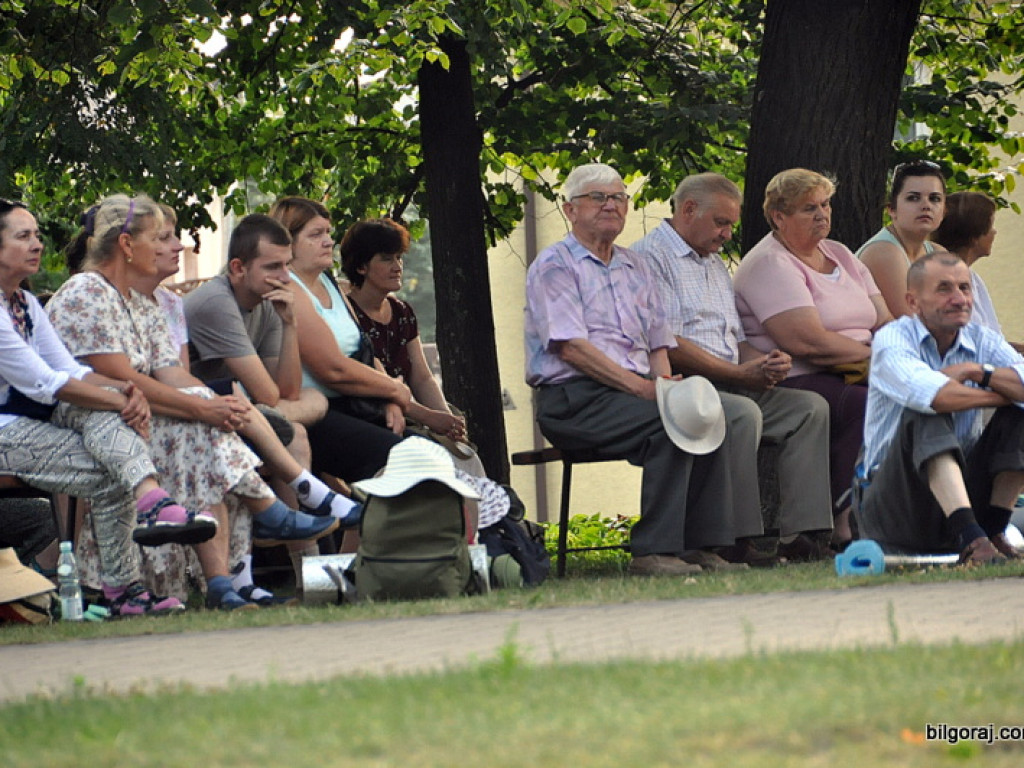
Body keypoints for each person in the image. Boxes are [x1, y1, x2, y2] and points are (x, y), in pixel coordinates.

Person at [46, 194, 338, 610]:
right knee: (203, 427)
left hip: (134, 413)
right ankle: (252, 534)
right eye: (163, 237)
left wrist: (212, 402)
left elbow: (169, 372)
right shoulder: (87, 291)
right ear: (127, 246)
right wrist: (204, 407)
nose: (179, 245)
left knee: (211, 424)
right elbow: (123, 380)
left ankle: (226, 579)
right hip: (91, 416)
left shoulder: (142, 301)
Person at [525, 163, 755, 576]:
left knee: (705, 415)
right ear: (569, 209)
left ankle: (700, 547)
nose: (610, 205)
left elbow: (657, 342)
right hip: (573, 400)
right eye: (598, 197)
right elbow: (571, 347)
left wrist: (666, 388)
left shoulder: (635, 266)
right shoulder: (555, 265)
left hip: (628, 394)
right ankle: (653, 551)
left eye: (618, 197)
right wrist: (643, 390)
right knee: (666, 424)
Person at [0, 198, 217, 616]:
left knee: (110, 448)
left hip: (34, 423)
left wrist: (125, 391)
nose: (37, 244)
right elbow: (46, 383)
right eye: (23, 236)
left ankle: (142, 525)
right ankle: (127, 580)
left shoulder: (24, 304)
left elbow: (69, 369)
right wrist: (123, 398)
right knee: (113, 458)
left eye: (38, 236)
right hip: (6, 430)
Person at [632, 173, 834, 561]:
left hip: (728, 379)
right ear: (688, 210)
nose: (727, 234)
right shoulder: (649, 259)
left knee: (808, 408)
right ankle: (738, 541)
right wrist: (739, 375)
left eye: (731, 226)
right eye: (721, 223)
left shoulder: (713, 262)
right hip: (684, 387)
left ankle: (801, 534)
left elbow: (732, 341)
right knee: (742, 413)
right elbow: (666, 344)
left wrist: (764, 363)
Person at [733, 169, 893, 547]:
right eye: (809, 208)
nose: (822, 214)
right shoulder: (770, 264)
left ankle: (914, 515)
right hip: (797, 375)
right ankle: (843, 520)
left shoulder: (840, 253)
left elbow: (884, 319)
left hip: (858, 366)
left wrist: (896, 354)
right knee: (864, 404)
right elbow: (807, 342)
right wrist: (879, 360)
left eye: (825, 204)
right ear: (779, 217)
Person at [858, 251, 1024, 563]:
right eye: (944, 289)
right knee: (926, 413)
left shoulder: (982, 339)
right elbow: (936, 397)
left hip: (961, 495)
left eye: (964, 288)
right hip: (897, 506)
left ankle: (991, 532)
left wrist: (979, 372)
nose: (959, 299)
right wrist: (1005, 393)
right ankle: (973, 539)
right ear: (913, 302)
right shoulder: (892, 339)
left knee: (1020, 413)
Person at [343, 218, 469, 449]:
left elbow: (421, 377)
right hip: (378, 420)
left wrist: (446, 421)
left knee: (464, 455)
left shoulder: (402, 312)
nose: (398, 266)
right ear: (361, 266)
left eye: (399, 257)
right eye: (386, 258)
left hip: (415, 415)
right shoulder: (347, 315)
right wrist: (429, 418)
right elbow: (377, 388)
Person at [930, 191, 1024, 354]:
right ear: (973, 236)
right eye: (990, 226)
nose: (994, 232)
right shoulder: (947, 285)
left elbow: (993, 341)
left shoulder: (973, 279)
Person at [857, 160, 946, 318]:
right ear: (892, 210)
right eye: (913, 198)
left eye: (935, 199)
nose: (926, 205)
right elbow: (911, 323)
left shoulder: (938, 253)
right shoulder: (884, 252)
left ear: (944, 211)